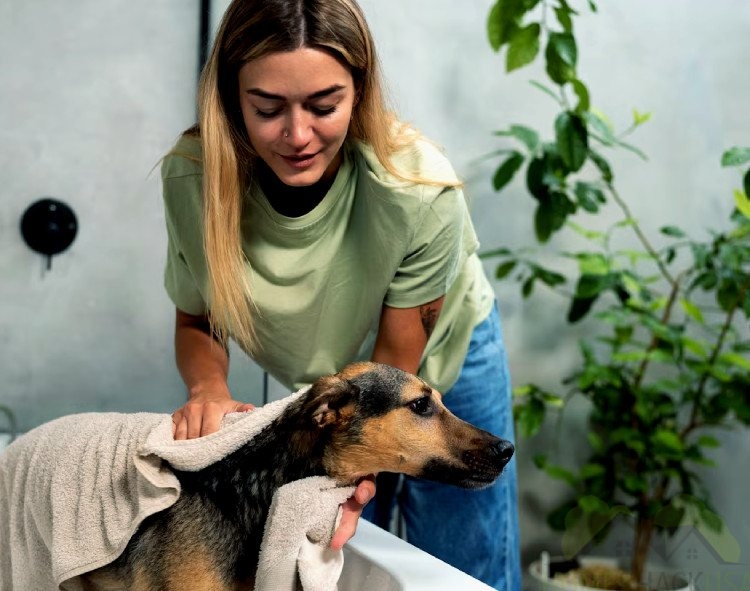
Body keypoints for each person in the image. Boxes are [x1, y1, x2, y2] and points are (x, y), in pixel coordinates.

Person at [161, 0, 520, 588]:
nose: (297, 134)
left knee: (461, 561)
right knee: (326, 555)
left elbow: (390, 380)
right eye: (267, 108)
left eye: (324, 106)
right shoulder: (194, 179)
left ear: (359, 92)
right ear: (230, 99)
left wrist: (352, 482)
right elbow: (196, 321)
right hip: (330, 382)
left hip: (431, 357)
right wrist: (208, 390)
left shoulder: (417, 189)